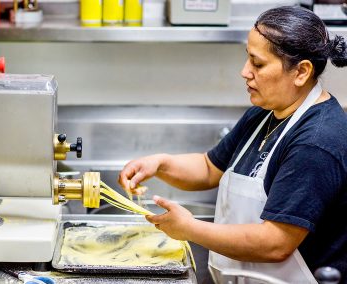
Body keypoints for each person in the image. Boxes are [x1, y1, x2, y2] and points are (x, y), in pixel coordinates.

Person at [118, 6, 347, 283]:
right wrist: (160, 164)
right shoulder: (266, 112)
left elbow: (275, 243)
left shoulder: (316, 142)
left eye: (257, 63)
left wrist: (189, 228)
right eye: (247, 59)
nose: (244, 72)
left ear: (301, 72)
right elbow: (209, 167)